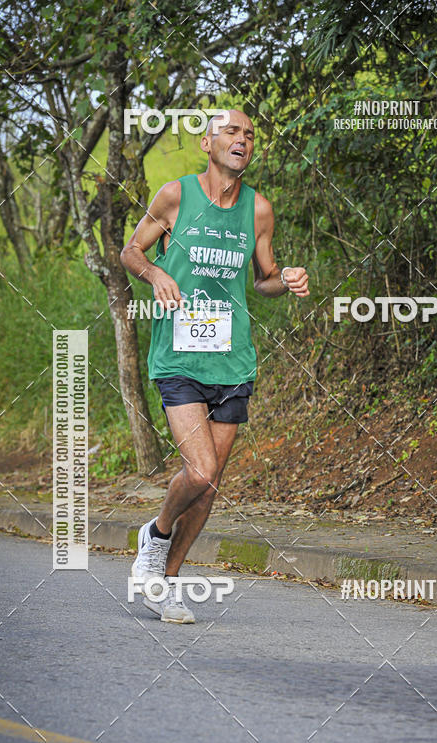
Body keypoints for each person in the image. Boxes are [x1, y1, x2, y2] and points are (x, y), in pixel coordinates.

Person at [120, 108, 309, 623]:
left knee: (210, 483)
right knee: (199, 470)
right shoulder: (176, 195)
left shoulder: (259, 210)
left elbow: (264, 278)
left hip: (233, 360)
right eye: (231, 131)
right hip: (179, 356)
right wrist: (155, 272)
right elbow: (130, 251)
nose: (242, 139)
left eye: (250, 133)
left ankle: (168, 583)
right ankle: (154, 535)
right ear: (208, 143)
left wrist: (284, 278)